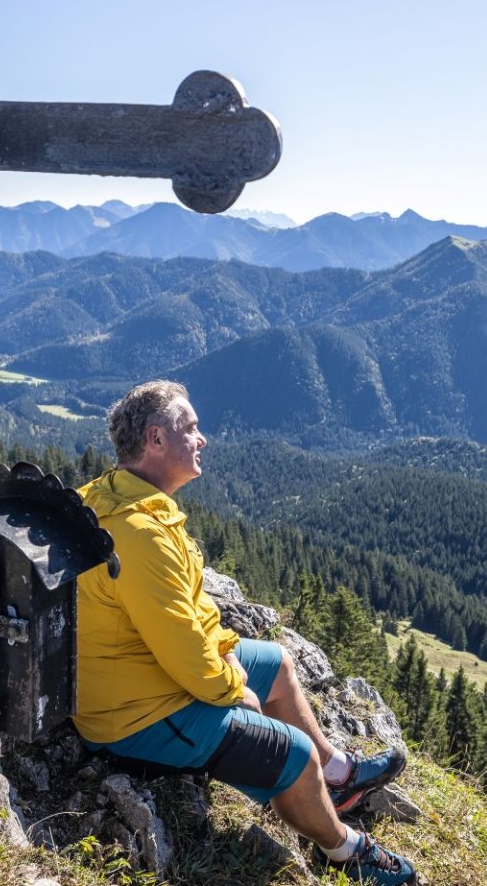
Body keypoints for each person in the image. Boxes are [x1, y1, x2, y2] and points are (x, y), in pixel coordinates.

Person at [71, 379, 417, 884]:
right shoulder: (140, 533)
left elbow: (187, 613)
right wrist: (234, 691)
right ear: (155, 440)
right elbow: (184, 651)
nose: (202, 438)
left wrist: (229, 653)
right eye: (189, 427)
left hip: (142, 673)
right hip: (135, 717)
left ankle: (337, 776)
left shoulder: (121, 498)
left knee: (275, 663)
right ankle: (342, 849)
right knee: (290, 754)